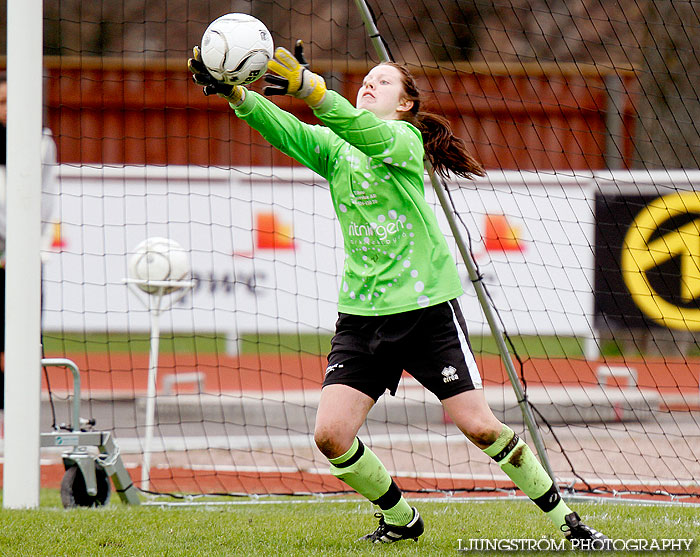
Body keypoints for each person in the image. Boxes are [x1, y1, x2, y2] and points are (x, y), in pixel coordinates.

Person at [188, 42, 609, 547]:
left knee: (480, 427)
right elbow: (289, 130)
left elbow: (358, 127)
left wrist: (312, 89)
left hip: (426, 310)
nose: (369, 83)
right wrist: (238, 95)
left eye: (383, 81)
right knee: (331, 437)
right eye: (366, 77)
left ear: (406, 104)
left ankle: (571, 525)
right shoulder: (335, 149)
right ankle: (401, 518)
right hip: (362, 316)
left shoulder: (403, 140)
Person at [0, 72, 58, 410]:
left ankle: (18, 412)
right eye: (1, 102)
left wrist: (21, 245)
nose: (6, 109)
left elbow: (42, 201)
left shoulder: (40, 142)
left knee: (22, 340)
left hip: (23, 258)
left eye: (11, 101)